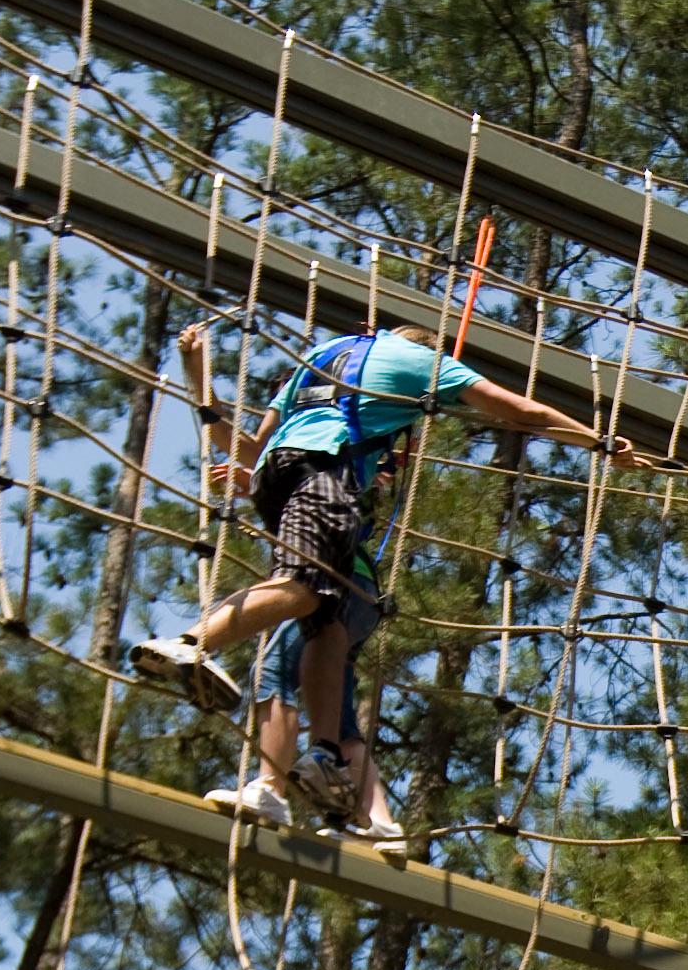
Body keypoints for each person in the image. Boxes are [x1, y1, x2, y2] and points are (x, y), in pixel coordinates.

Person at [126, 316, 628, 845]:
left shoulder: (319, 359)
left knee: (323, 627)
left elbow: (252, 448)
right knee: (301, 597)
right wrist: (600, 442)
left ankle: (329, 776)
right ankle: (192, 644)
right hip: (322, 480)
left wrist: (197, 377)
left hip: (277, 481)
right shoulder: (419, 365)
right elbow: (521, 411)